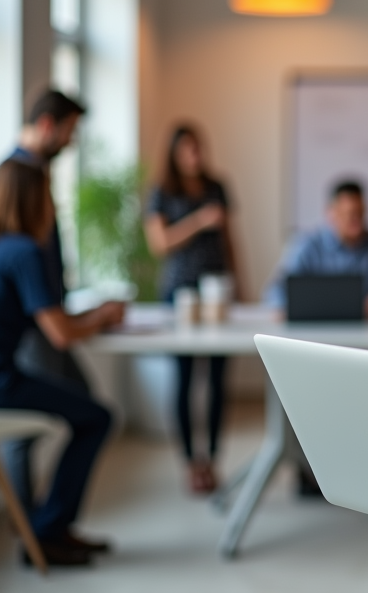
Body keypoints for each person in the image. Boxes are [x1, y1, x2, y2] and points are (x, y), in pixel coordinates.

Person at [0, 160, 123, 566]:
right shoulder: (25, 251)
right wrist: (103, 316)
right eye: (49, 194)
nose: (54, 205)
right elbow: (60, 334)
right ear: (32, 199)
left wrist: (91, 316)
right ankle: (47, 533)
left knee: (86, 414)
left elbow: (48, 320)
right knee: (97, 417)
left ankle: (50, 529)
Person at [2, 90, 103, 514]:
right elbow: (26, 268)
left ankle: (50, 522)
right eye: (69, 131)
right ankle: (30, 527)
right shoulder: (17, 180)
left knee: (89, 405)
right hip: (34, 329)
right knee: (28, 430)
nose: (71, 141)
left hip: (48, 320)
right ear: (48, 124)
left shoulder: (31, 174)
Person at [144, 125, 242, 495]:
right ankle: (190, 461)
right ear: (174, 154)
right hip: (179, 296)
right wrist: (199, 220)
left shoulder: (217, 186)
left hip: (218, 292)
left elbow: (230, 239)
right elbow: (160, 243)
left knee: (218, 380)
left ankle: (212, 459)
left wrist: (239, 284)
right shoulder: (161, 193)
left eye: (199, 148)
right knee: (184, 379)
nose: (195, 156)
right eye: (187, 150)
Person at [264, 180, 368, 319]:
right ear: (331, 213)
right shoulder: (307, 245)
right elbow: (276, 289)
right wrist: (283, 308)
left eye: (360, 214)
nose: (356, 222)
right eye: (348, 215)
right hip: (316, 331)